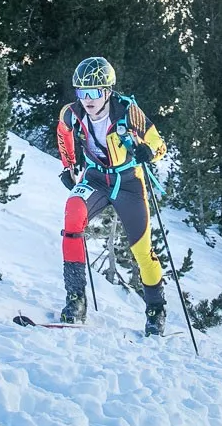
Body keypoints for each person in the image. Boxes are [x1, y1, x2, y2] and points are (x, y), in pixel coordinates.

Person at [56, 57, 168, 334]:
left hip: (128, 181)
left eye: (94, 92)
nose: (88, 100)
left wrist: (148, 152)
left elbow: (159, 144)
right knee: (73, 214)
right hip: (95, 177)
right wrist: (69, 166)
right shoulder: (71, 113)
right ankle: (76, 299)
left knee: (142, 250)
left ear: (107, 91)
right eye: (82, 93)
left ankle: (156, 309)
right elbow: (63, 134)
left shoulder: (128, 111)